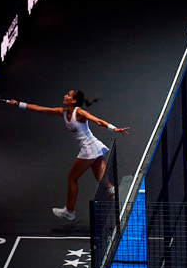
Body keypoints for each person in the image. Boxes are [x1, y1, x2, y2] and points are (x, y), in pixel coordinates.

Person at [9, 90, 130, 221]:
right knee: (104, 184)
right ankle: (122, 203)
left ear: (73, 101)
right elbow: (39, 109)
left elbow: (98, 121)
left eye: (68, 95)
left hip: (89, 148)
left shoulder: (79, 112)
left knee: (72, 178)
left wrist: (114, 128)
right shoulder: (62, 112)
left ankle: (70, 211)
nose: (65, 96)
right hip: (93, 146)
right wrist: (18, 104)